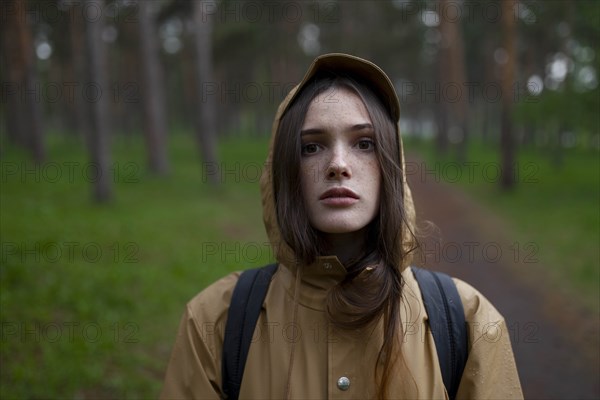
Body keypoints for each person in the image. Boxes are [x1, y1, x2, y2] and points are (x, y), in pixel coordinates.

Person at [160, 53, 523, 399]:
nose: (338, 164)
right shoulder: (215, 323)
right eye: (311, 147)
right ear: (285, 172)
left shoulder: (469, 323)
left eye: (364, 143)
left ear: (389, 167)